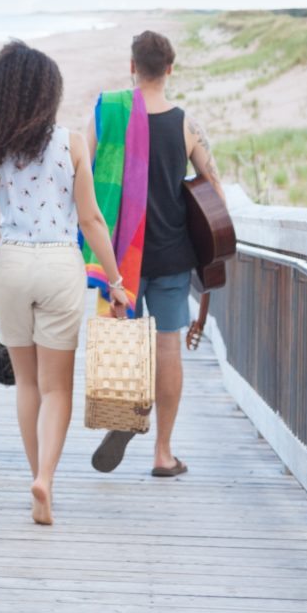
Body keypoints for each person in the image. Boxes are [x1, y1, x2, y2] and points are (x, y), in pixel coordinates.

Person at [0, 41, 132, 525]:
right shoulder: (72, 143)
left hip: (11, 264)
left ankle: (35, 474)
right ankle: (46, 480)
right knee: (57, 388)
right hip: (59, 265)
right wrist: (115, 281)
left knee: (27, 383)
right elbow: (91, 220)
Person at [87, 29, 225, 479]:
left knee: (121, 339)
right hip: (171, 253)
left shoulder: (107, 114)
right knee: (168, 345)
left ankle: (124, 413)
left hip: (119, 258)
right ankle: (163, 453)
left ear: (132, 67)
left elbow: (83, 175)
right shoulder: (186, 125)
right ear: (170, 69)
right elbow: (214, 188)